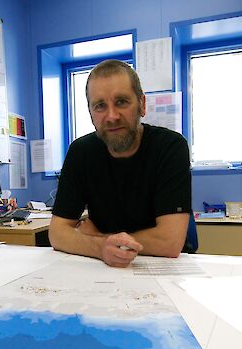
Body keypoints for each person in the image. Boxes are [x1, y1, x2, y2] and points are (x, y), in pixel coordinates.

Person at [49, 59, 192, 267]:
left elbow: (169, 243)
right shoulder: (80, 152)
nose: (112, 116)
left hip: (160, 266)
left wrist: (99, 237)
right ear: (90, 114)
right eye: (100, 106)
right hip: (103, 267)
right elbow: (57, 233)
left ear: (142, 105)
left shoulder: (170, 146)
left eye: (122, 102)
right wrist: (100, 247)